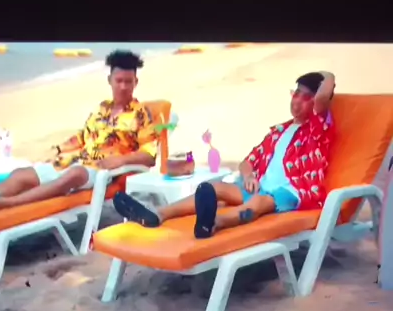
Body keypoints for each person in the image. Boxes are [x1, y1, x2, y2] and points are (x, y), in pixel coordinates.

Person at [0, 50, 158, 215]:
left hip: (104, 173)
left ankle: (6, 204)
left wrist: (121, 160)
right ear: (110, 80)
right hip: (75, 162)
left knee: (74, 174)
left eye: (128, 81)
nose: (123, 87)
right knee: (23, 174)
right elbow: (81, 138)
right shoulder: (101, 109)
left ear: (135, 82)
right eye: (119, 80)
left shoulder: (141, 114)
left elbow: (149, 155)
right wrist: (55, 150)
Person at [113, 71, 336, 239]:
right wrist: (249, 176)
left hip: (292, 193)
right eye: (296, 93)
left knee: (259, 202)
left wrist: (324, 76)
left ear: (315, 102)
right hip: (260, 186)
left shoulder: (317, 130)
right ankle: (159, 214)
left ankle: (214, 222)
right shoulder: (278, 131)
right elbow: (247, 162)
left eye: (306, 97)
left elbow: (325, 93)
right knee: (214, 188)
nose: (297, 100)